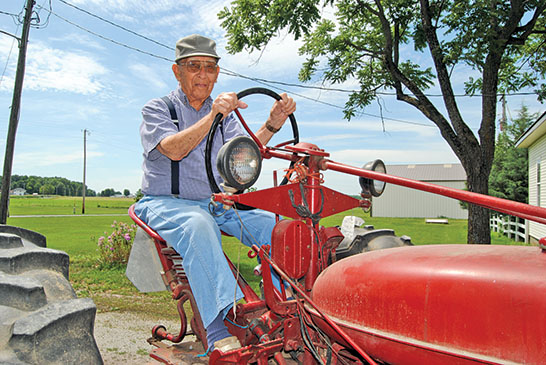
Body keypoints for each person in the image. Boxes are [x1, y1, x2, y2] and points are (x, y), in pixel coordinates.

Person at [134, 34, 296, 353]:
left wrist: (273, 123)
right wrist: (213, 117)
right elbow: (174, 150)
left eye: (209, 67)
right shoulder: (157, 109)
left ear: (218, 74)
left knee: (278, 226)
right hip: (165, 202)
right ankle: (217, 328)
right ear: (177, 71)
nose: (203, 75)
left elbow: (244, 155)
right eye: (194, 66)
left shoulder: (225, 115)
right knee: (198, 225)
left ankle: (283, 305)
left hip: (215, 203)